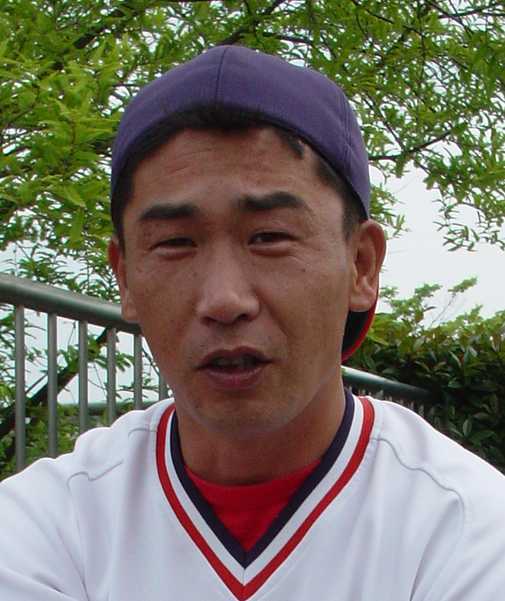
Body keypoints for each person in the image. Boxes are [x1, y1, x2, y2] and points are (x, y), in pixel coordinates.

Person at [1, 45, 504, 601]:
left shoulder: (467, 529)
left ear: (361, 265)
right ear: (125, 278)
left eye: (269, 237)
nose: (224, 300)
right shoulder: (49, 525)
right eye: (175, 243)